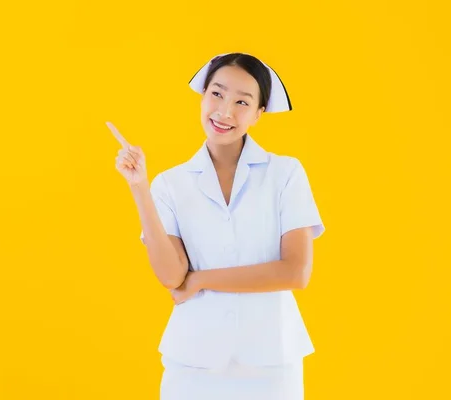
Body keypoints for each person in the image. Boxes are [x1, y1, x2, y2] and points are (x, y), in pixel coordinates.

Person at [106, 52, 325, 400]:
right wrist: (139, 187)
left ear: (258, 113)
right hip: (192, 363)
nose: (224, 112)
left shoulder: (285, 174)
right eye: (217, 94)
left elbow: (295, 272)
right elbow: (171, 276)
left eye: (242, 101)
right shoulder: (169, 184)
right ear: (203, 95)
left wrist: (202, 280)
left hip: (271, 364)